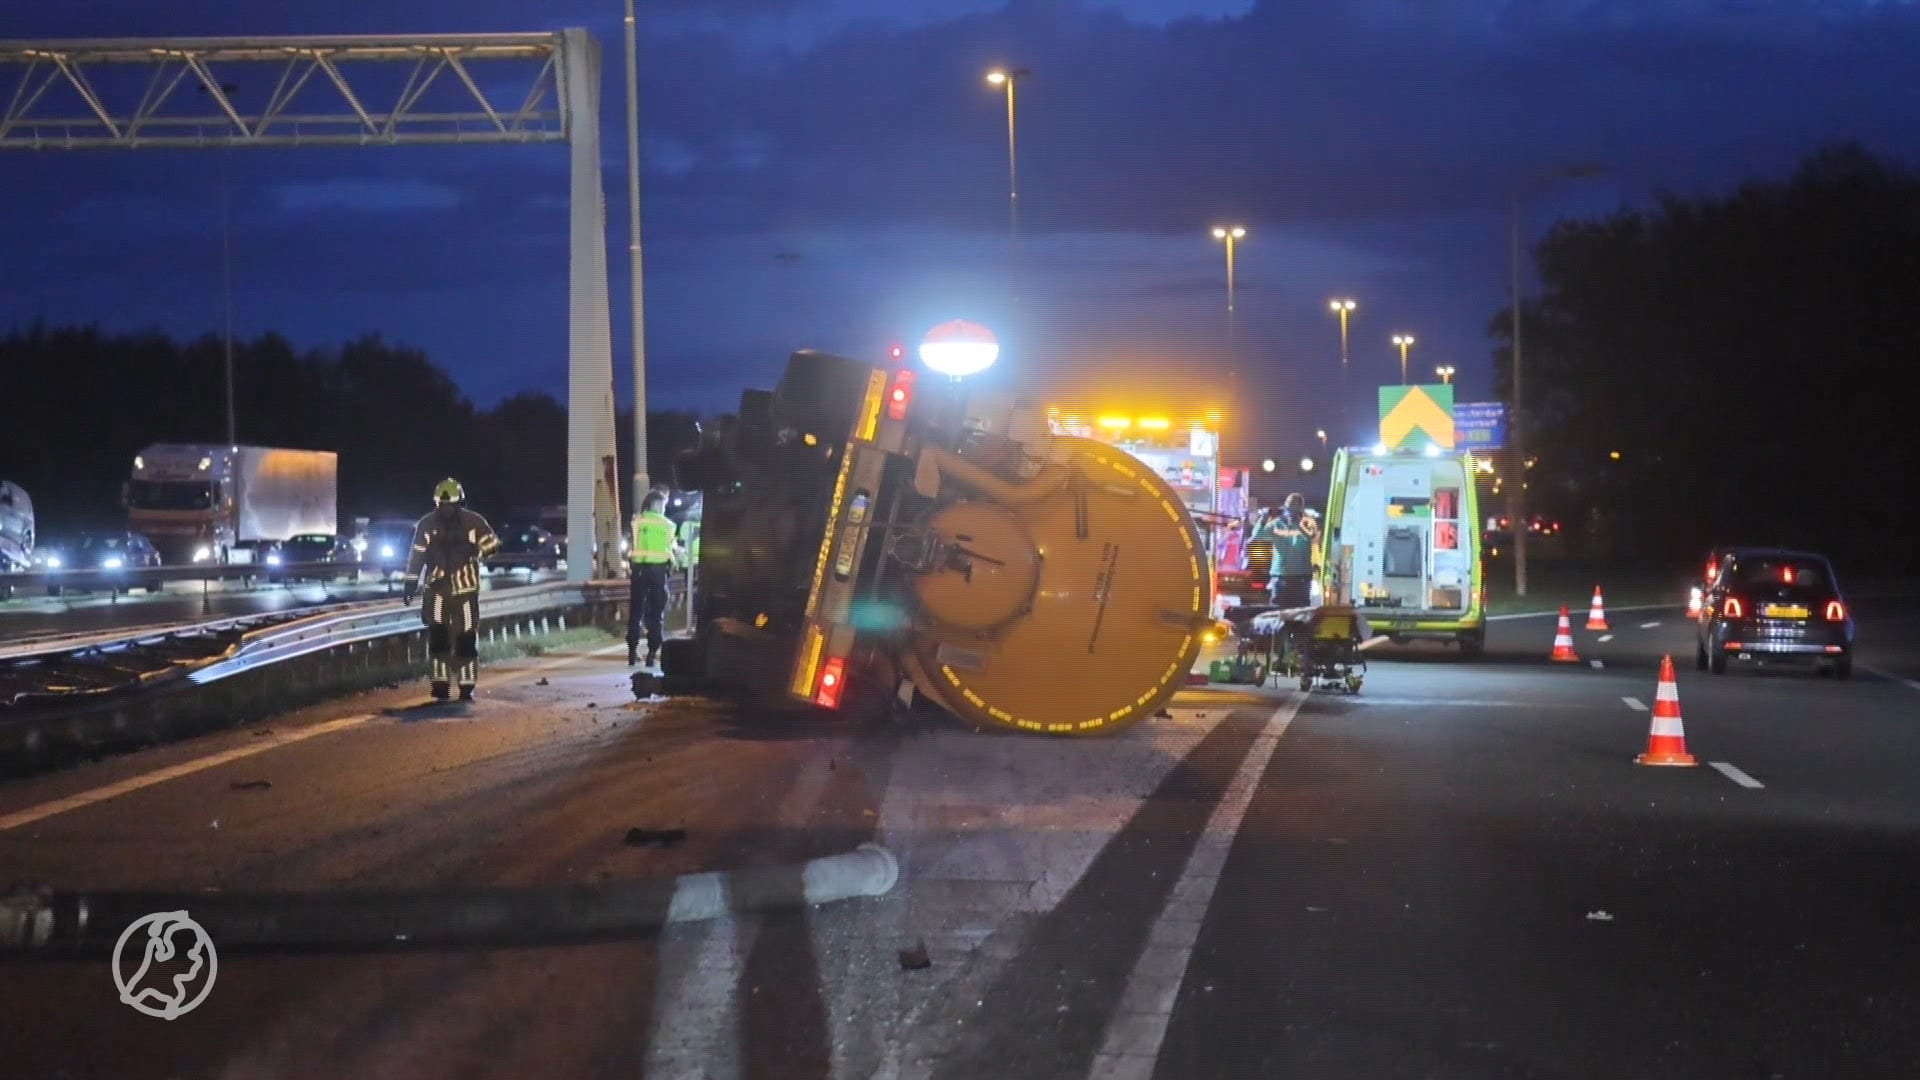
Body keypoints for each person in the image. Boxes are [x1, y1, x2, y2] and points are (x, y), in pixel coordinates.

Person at [404, 478, 500, 702]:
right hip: (438, 590)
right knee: (439, 637)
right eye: (443, 505)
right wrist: (410, 583)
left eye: (450, 505)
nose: (447, 510)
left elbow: (492, 544)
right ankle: (442, 685)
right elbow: (417, 556)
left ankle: (465, 686)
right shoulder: (427, 525)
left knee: (465, 637)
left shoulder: (473, 522)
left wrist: (476, 550)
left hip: (464, 591)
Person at [628, 489, 683, 667]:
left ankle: (632, 651)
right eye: (663, 505)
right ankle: (652, 653)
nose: (664, 508)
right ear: (656, 504)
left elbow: (632, 544)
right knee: (656, 613)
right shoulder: (668, 525)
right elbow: (670, 549)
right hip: (658, 571)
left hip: (639, 570)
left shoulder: (637, 522)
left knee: (636, 612)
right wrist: (674, 562)